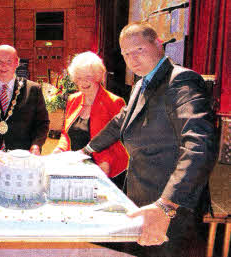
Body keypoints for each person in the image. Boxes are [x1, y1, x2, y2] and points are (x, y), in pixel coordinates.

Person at [84, 22, 217, 256]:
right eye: (126, 54)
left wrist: (166, 206)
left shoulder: (181, 80)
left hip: (171, 209)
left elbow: (199, 146)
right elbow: (120, 122)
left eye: (139, 50)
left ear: (158, 45)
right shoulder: (140, 85)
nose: (132, 59)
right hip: (142, 202)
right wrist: (85, 151)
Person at [52, 52, 128, 188]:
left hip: (105, 170)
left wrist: (105, 164)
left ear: (98, 77)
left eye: (88, 77)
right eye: (79, 78)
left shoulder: (114, 102)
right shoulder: (73, 99)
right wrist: (60, 149)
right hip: (76, 168)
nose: (83, 82)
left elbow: (116, 140)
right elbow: (66, 133)